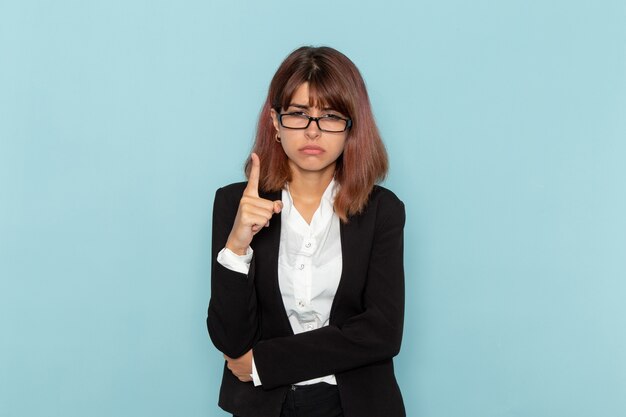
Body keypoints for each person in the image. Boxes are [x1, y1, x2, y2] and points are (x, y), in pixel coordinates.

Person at [207, 46, 406, 417]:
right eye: (298, 114)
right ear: (275, 123)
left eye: (329, 116)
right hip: (265, 407)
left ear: (351, 128)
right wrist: (236, 245)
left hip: (357, 405)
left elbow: (382, 332)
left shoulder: (383, 210)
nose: (313, 131)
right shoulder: (235, 203)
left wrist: (265, 363)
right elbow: (231, 342)